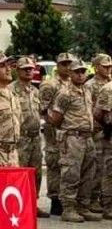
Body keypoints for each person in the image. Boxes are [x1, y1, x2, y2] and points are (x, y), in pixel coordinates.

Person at [50, 62, 101, 222]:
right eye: (77, 72)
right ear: (70, 74)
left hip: (88, 137)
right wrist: (70, 129)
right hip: (73, 137)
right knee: (71, 174)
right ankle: (68, 209)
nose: (80, 74)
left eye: (83, 72)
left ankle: (83, 206)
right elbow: (56, 119)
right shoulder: (65, 93)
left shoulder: (87, 90)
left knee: (88, 174)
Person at [12, 56, 47, 218]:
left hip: (35, 137)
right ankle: (18, 205)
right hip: (21, 138)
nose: (28, 71)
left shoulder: (35, 91)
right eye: (25, 69)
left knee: (36, 173)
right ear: (17, 70)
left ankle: (33, 203)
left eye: (31, 69)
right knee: (20, 173)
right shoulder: (11, 90)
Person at [42, 53, 76, 216]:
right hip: (54, 131)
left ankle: (68, 199)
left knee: (69, 165)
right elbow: (43, 109)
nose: (68, 67)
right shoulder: (50, 84)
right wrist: (53, 123)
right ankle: (55, 200)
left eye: (70, 63)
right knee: (55, 163)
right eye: (64, 64)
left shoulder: (73, 83)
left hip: (70, 131)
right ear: (58, 65)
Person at [90, 54, 112, 219]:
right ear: (96, 67)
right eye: (105, 66)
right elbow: (95, 113)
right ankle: (97, 200)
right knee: (101, 168)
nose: (108, 69)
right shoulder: (92, 86)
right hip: (100, 131)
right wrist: (105, 126)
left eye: (110, 66)